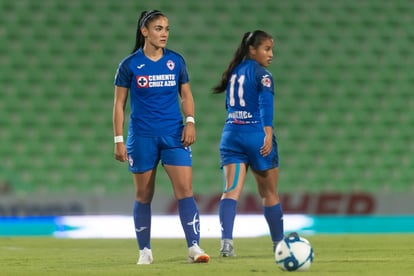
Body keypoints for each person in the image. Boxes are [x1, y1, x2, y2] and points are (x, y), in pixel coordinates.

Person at [112, 10, 209, 265]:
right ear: (144, 31)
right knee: (144, 195)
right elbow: (119, 104)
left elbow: (186, 95)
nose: (164, 33)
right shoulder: (129, 65)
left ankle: (194, 247)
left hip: (173, 134)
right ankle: (145, 251)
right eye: (158, 28)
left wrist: (190, 121)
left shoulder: (176, 61)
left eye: (166, 29)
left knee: (185, 190)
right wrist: (118, 140)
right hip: (142, 136)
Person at [212, 30, 284, 257]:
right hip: (255, 135)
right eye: (266, 49)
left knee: (230, 192)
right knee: (269, 193)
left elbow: (229, 106)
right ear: (252, 50)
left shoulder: (233, 71)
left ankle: (226, 243)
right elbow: (266, 106)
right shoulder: (263, 74)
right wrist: (267, 133)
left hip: (231, 134)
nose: (271, 54)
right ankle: (279, 245)